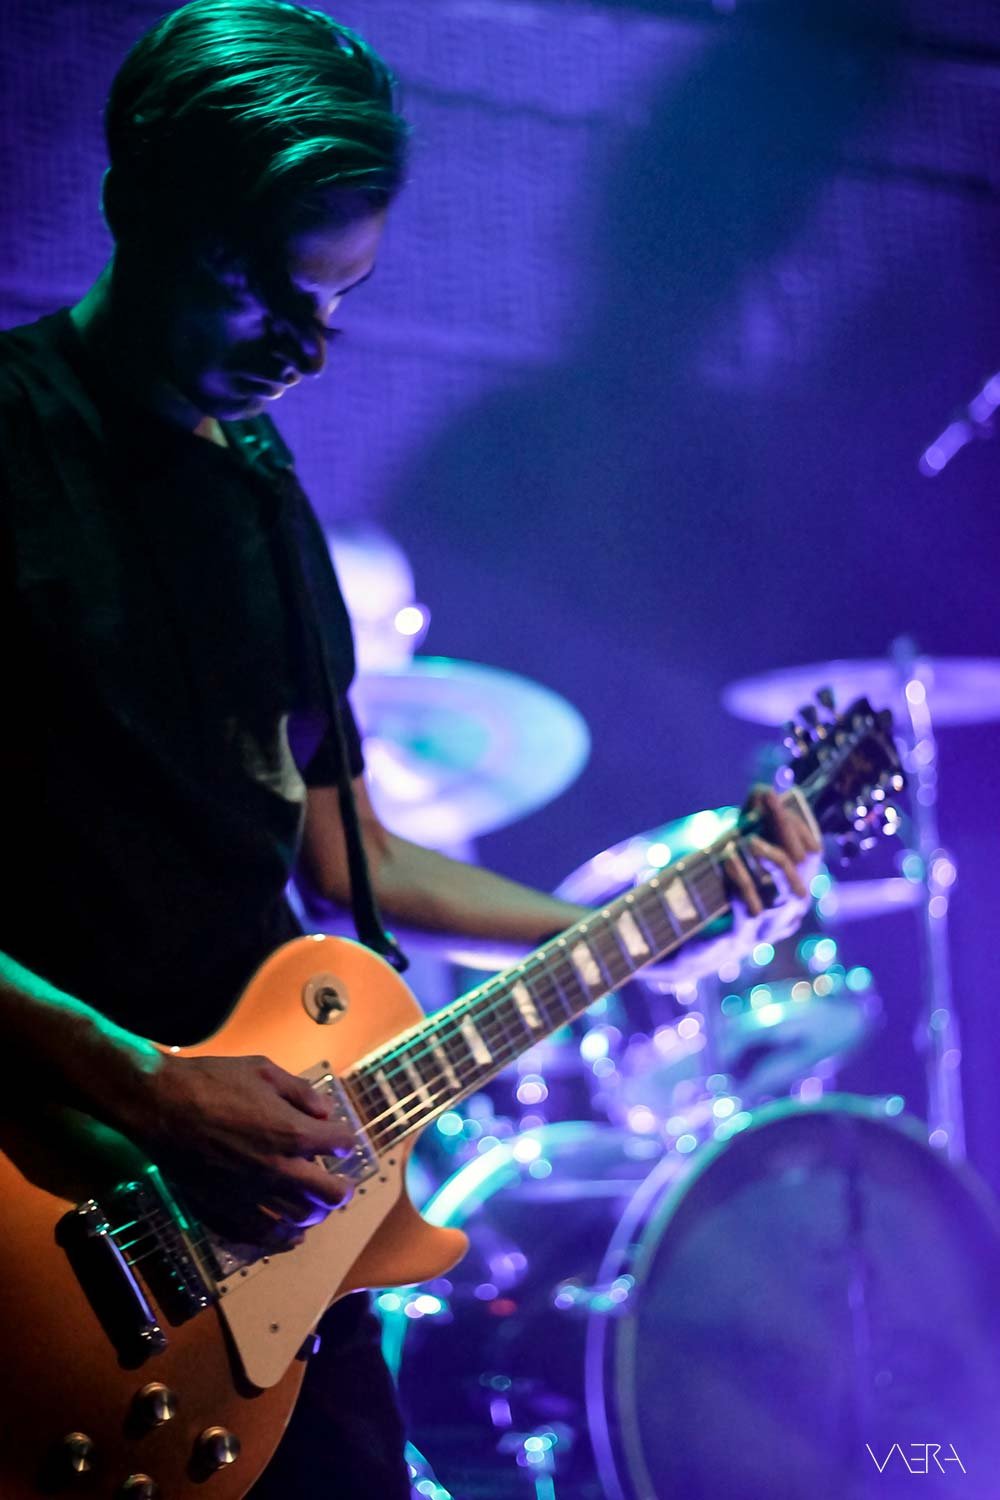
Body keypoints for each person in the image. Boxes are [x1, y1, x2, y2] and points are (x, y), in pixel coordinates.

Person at [0, 2, 820, 1493]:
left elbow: (348, 859)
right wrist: (149, 1087)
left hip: (264, 1249)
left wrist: (647, 918)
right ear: (135, 204)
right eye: (259, 289)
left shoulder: (264, 498)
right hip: (54, 1211)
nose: (310, 345)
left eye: (343, 295)